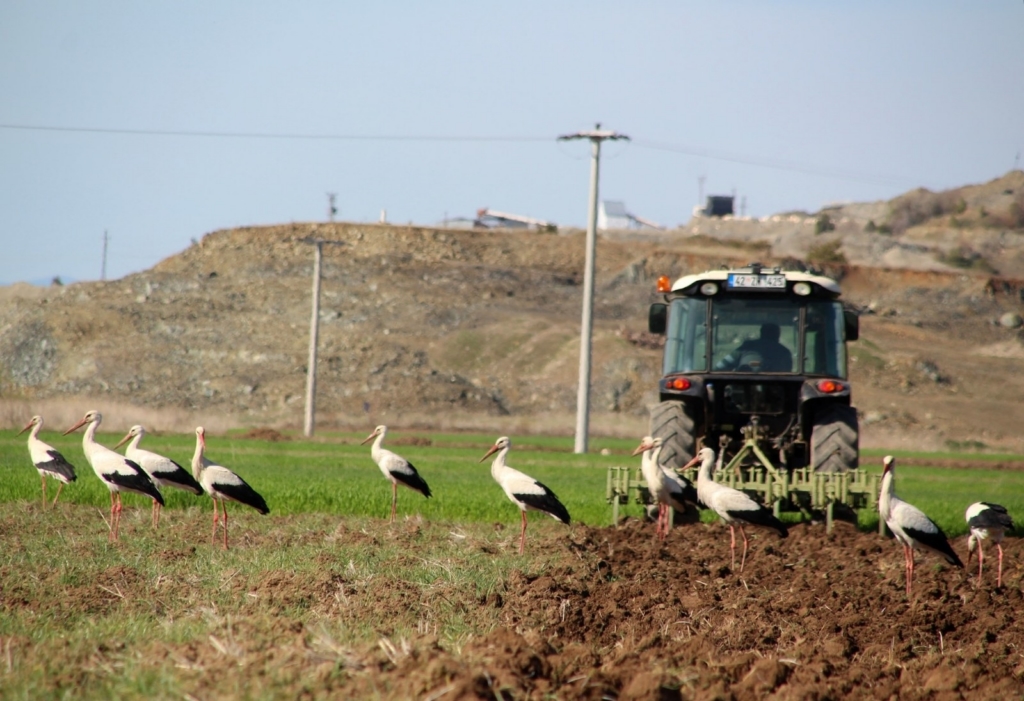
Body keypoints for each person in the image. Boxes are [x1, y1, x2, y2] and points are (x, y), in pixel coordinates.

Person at [715, 323, 793, 372]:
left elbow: (720, 367)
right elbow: (787, 371)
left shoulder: (746, 347)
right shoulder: (785, 352)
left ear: (761, 333)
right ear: (777, 336)